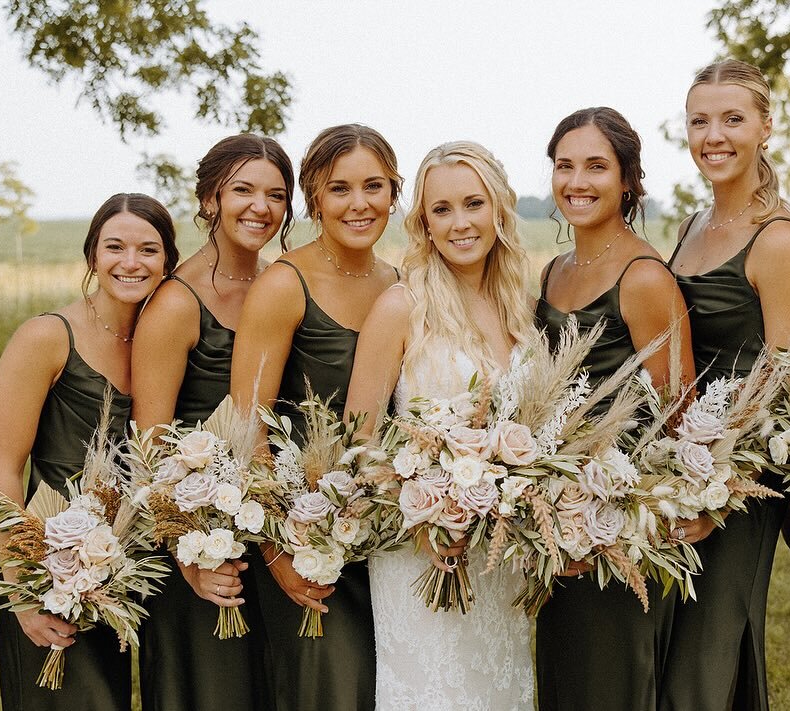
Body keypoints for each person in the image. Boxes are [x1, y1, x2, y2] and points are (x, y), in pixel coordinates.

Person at [345, 141, 536, 710]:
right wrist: (421, 514)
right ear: (424, 222)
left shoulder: (519, 309)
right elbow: (360, 441)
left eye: (473, 204)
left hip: (502, 554)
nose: (460, 223)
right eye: (442, 209)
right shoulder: (401, 307)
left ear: (499, 209)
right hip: (421, 551)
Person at [230, 124, 401, 710]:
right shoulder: (284, 284)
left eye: (374, 186)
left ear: (394, 192)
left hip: (384, 538)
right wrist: (281, 554)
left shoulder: (398, 284)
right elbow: (246, 425)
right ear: (314, 197)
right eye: (340, 189)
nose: (359, 204)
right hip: (305, 539)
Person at [0, 193, 178, 710]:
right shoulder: (48, 336)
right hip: (53, 568)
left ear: (168, 261)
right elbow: (4, 467)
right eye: (115, 247)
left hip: (134, 565)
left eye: (149, 249)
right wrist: (22, 587)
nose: (131, 262)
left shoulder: (165, 340)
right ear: (92, 254)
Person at [664, 59, 790, 710]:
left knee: (704, 666)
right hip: (680, 466)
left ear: (765, 128)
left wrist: (717, 489)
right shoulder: (693, 226)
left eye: (732, 119)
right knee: (675, 657)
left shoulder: (777, 238)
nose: (713, 135)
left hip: (740, 485)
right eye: (700, 120)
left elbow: (785, 380)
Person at [533, 107, 695, 711]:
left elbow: (682, 415)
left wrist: (624, 514)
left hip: (618, 531)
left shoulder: (644, 277)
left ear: (627, 178)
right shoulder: (553, 272)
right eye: (564, 166)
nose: (577, 181)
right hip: (554, 521)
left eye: (596, 166)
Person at [131, 133, 294, 711]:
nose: (261, 207)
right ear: (208, 199)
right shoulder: (176, 303)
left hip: (265, 530)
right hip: (197, 543)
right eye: (242, 190)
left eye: (276, 194)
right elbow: (148, 447)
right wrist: (190, 556)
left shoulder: (281, 283)